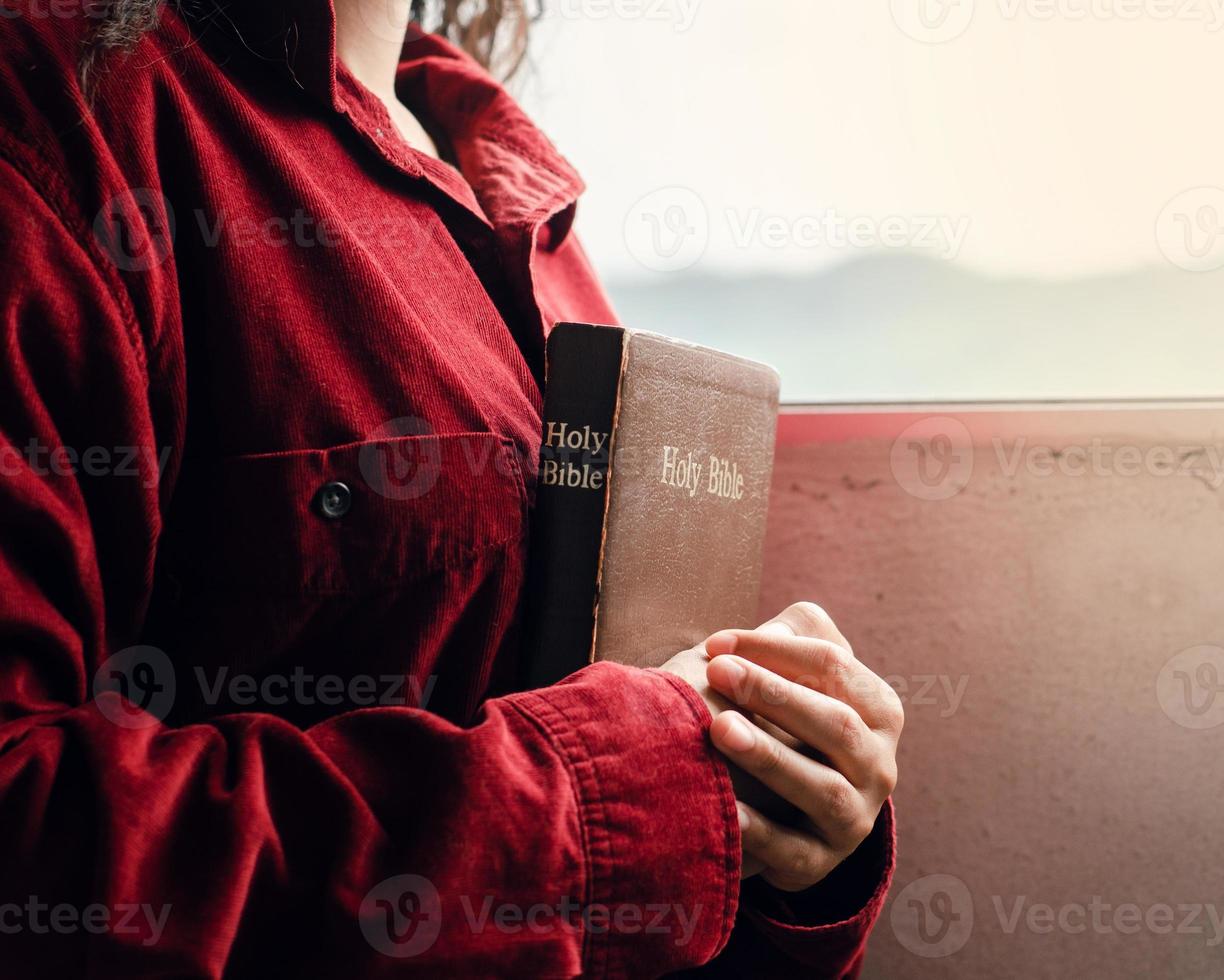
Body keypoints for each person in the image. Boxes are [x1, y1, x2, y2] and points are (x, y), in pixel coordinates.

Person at [0, 1, 902, 975]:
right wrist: (600, 807)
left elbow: (647, 822)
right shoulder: (59, 108)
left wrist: (778, 834)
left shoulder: (512, 188)